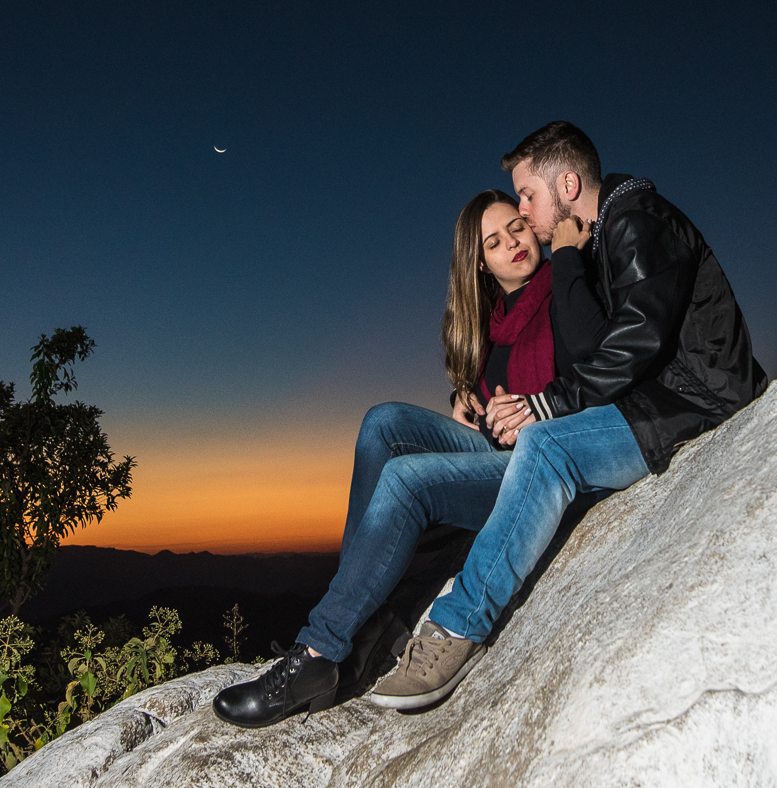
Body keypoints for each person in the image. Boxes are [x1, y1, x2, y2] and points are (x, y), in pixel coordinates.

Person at [364, 120, 767, 710]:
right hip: (659, 401)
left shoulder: (639, 220)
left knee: (546, 446)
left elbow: (637, 340)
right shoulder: (609, 231)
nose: (524, 210)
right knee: (497, 441)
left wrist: (548, 405)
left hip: (697, 406)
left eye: (528, 195)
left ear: (568, 183)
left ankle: (455, 628)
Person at [213, 187, 608, 728]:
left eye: (516, 227)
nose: (512, 244)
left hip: (543, 466)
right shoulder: (495, 320)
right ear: (482, 263)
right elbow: (495, 389)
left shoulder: (565, 281)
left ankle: (319, 652)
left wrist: (566, 263)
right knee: (383, 422)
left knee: (407, 480)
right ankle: (358, 617)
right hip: (497, 451)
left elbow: (597, 365)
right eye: (493, 242)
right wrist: (466, 400)